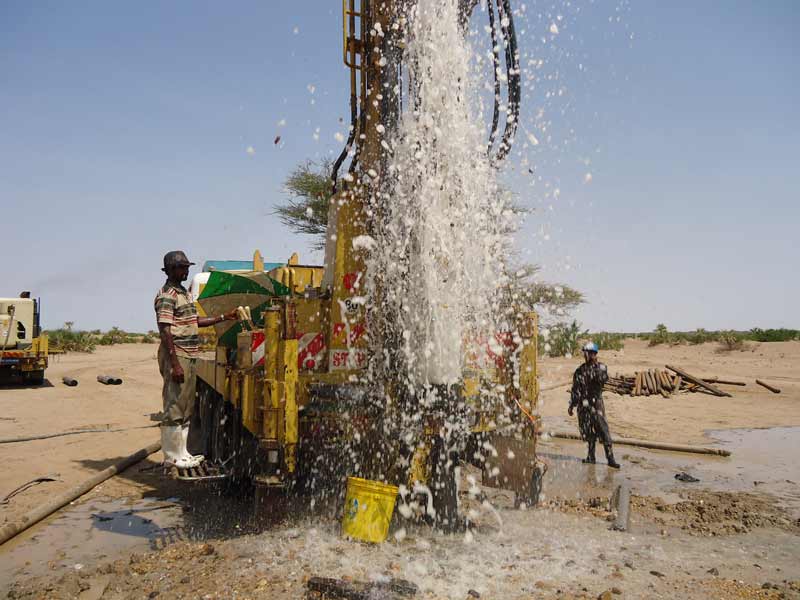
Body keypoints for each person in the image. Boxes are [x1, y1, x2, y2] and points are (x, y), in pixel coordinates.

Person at [155, 251, 236, 469]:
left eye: (186, 266)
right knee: (174, 404)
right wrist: (174, 363)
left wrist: (223, 317)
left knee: (186, 405)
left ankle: (183, 453)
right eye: (182, 267)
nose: (186, 270)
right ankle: (172, 456)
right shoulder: (167, 295)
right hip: (178, 353)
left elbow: (194, 321)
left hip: (189, 354)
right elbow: (165, 330)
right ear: (171, 270)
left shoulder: (184, 292)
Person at [568, 342, 620, 469]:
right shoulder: (579, 370)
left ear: (594, 354)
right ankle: (591, 457)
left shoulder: (601, 367)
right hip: (583, 404)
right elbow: (575, 389)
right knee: (587, 431)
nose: (586, 355)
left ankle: (610, 459)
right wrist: (571, 405)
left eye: (588, 353)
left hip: (596, 403)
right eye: (585, 353)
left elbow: (602, 379)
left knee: (603, 429)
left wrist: (595, 368)